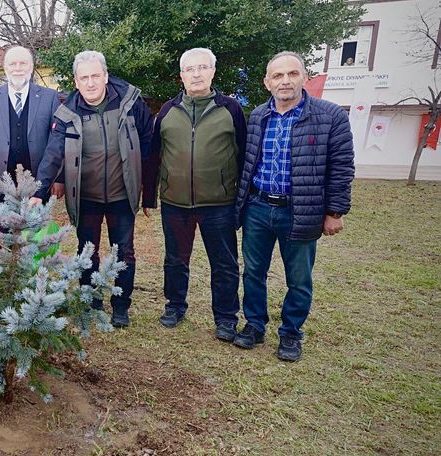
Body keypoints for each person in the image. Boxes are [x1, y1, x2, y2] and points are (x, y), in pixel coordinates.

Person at [233, 51, 354, 361]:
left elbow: (341, 166)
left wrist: (335, 212)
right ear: (267, 82)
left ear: (305, 78)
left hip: (300, 210)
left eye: (292, 73)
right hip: (258, 207)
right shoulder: (258, 116)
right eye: (278, 75)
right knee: (253, 272)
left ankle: (290, 333)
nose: (285, 81)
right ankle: (254, 325)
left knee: (299, 279)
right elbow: (248, 161)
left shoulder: (330, 116)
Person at [30, 50, 153, 328]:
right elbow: (53, 153)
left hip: (122, 194)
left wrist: (146, 187)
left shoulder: (130, 102)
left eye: (95, 76)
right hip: (86, 196)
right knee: (87, 252)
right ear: (76, 81)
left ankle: (120, 306)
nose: (90, 83)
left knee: (124, 252)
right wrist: (39, 191)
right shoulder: (67, 113)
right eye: (83, 78)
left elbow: (148, 140)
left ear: (106, 76)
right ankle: (90, 301)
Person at [145, 48, 246, 341]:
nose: (197, 74)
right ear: (182, 76)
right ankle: (175, 306)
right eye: (190, 69)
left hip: (219, 203)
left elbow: (243, 155)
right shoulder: (167, 111)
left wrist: (242, 198)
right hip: (175, 202)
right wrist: (149, 197)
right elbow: (154, 156)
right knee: (175, 260)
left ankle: (226, 317)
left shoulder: (231, 110)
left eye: (202, 67)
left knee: (224, 263)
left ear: (213, 72)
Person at [0, 46, 61, 207]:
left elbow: (57, 144)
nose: (17, 68)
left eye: (23, 63)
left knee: (36, 224)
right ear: (5, 68)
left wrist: (58, 178)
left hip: (37, 185)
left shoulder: (50, 97)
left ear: (31, 67)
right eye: (12, 64)